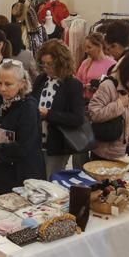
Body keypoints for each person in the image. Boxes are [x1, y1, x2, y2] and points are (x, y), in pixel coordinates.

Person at [0, 59, 45, 195]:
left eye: (8, 84)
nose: (2, 88)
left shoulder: (28, 107)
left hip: (20, 175)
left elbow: (24, 147)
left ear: (22, 84)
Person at [34, 39, 85, 175]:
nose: (46, 68)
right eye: (43, 64)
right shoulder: (41, 80)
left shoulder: (73, 85)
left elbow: (77, 118)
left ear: (61, 62)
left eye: (50, 64)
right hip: (37, 142)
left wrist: (48, 114)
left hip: (57, 145)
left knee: (52, 183)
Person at [88, 49, 129, 160]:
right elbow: (94, 113)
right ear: (128, 68)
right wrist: (119, 104)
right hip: (108, 152)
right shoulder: (109, 85)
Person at [75, 32, 117, 101]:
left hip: (103, 104)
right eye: (85, 48)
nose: (86, 51)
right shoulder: (85, 63)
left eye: (89, 47)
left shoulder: (113, 64)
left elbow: (115, 88)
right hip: (85, 103)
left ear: (99, 46)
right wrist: (86, 86)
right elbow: (77, 83)